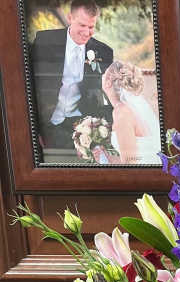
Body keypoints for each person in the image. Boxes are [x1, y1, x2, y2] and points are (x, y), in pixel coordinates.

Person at [30, 0, 113, 150]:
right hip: (48, 123)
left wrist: (103, 128)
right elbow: (28, 84)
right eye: (82, 25)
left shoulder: (103, 52)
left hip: (83, 127)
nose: (86, 32)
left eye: (91, 27)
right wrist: (34, 129)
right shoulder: (45, 42)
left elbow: (109, 94)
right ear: (70, 18)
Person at [94, 61, 161, 165]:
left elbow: (130, 165)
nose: (102, 76)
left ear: (108, 82)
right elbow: (131, 159)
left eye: (104, 74)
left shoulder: (122, 112)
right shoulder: (128, 108)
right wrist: (108, 159)